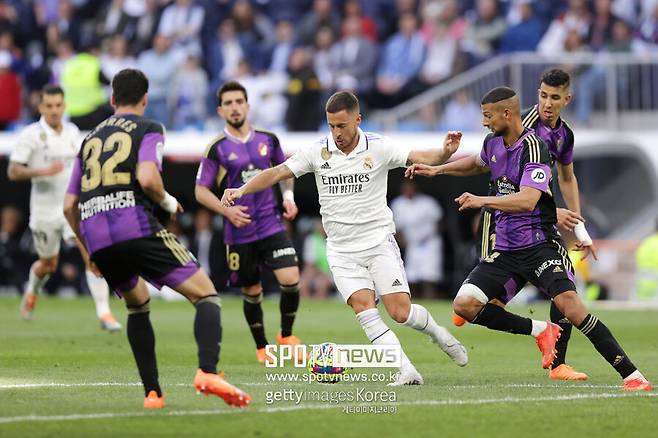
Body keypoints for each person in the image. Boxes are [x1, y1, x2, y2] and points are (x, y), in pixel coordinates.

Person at [406, 86, 652, 391]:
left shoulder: (535, 147)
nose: (483, 122)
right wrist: (436, 170)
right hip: (506, 251)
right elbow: (476, 163)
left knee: (571, 308)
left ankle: (632, 375)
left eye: (487, 116)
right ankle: (541, 330)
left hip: (540, 246)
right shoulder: (493, 141)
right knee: (464, 305)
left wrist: (482, 200)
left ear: (506, 113)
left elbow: (527, 200)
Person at [221, 90, 468, 386]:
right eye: (331, 126)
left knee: (400, 313)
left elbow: (422, 157)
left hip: (378, 243)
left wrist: (445, 152)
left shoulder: (379, 146)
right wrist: (241, 190)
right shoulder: (318, 150)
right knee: (364, 308)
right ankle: (405, 370)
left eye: (342, 126)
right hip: (341, 250)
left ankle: (439, 335)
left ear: (357, 119)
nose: (336, 133)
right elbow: (276, 172)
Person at [63, 69, 250, 409]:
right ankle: (208, 371)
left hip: (96, 234)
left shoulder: (89, 139)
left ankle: (153, 394)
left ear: (112, 99)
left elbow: (68, 205)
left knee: (137, 305)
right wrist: (166, 201)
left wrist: (86, 247)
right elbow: (148, 178)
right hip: (133, 224)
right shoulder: (149, 128)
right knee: (206, 294)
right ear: (146, 99)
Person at [465, 69, 596, 381]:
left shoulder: (564, 135)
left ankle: (557, 363)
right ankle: (474, 305)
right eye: (542, 95)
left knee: (564, 281)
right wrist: (551, 210)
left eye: (554, 97)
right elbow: (503, 176)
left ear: (567, 99)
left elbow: (566, 177)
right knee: (493, 293)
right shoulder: (521, 125)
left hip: (537, 220)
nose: (546, 104)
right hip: (503, 215)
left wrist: (578, 228)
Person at [195, 81, 303, 364]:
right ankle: (261, 347)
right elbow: (200, 190)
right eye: (228, 103)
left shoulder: (268, 139)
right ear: (220, 110)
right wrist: (226, 211)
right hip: (239, 232)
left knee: (291, 279)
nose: (234, 108)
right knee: (252, 290)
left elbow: (285, 171)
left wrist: (288, 196)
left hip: (270, 223)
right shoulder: (216, 148)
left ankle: (286, 334)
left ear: (248, 105)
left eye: (239, 102)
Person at [8, 85, 121, 331]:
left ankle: (104, 313)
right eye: (49, 106)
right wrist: (41, 171)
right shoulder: (31, 135)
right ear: (40, 107)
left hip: (72, 207)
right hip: (44, 211)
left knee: (92, 254)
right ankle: (32, 290)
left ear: (64, 106)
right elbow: (13, 170)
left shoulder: (72, 132)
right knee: (48, 264)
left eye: (58, 105)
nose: (54, 110)